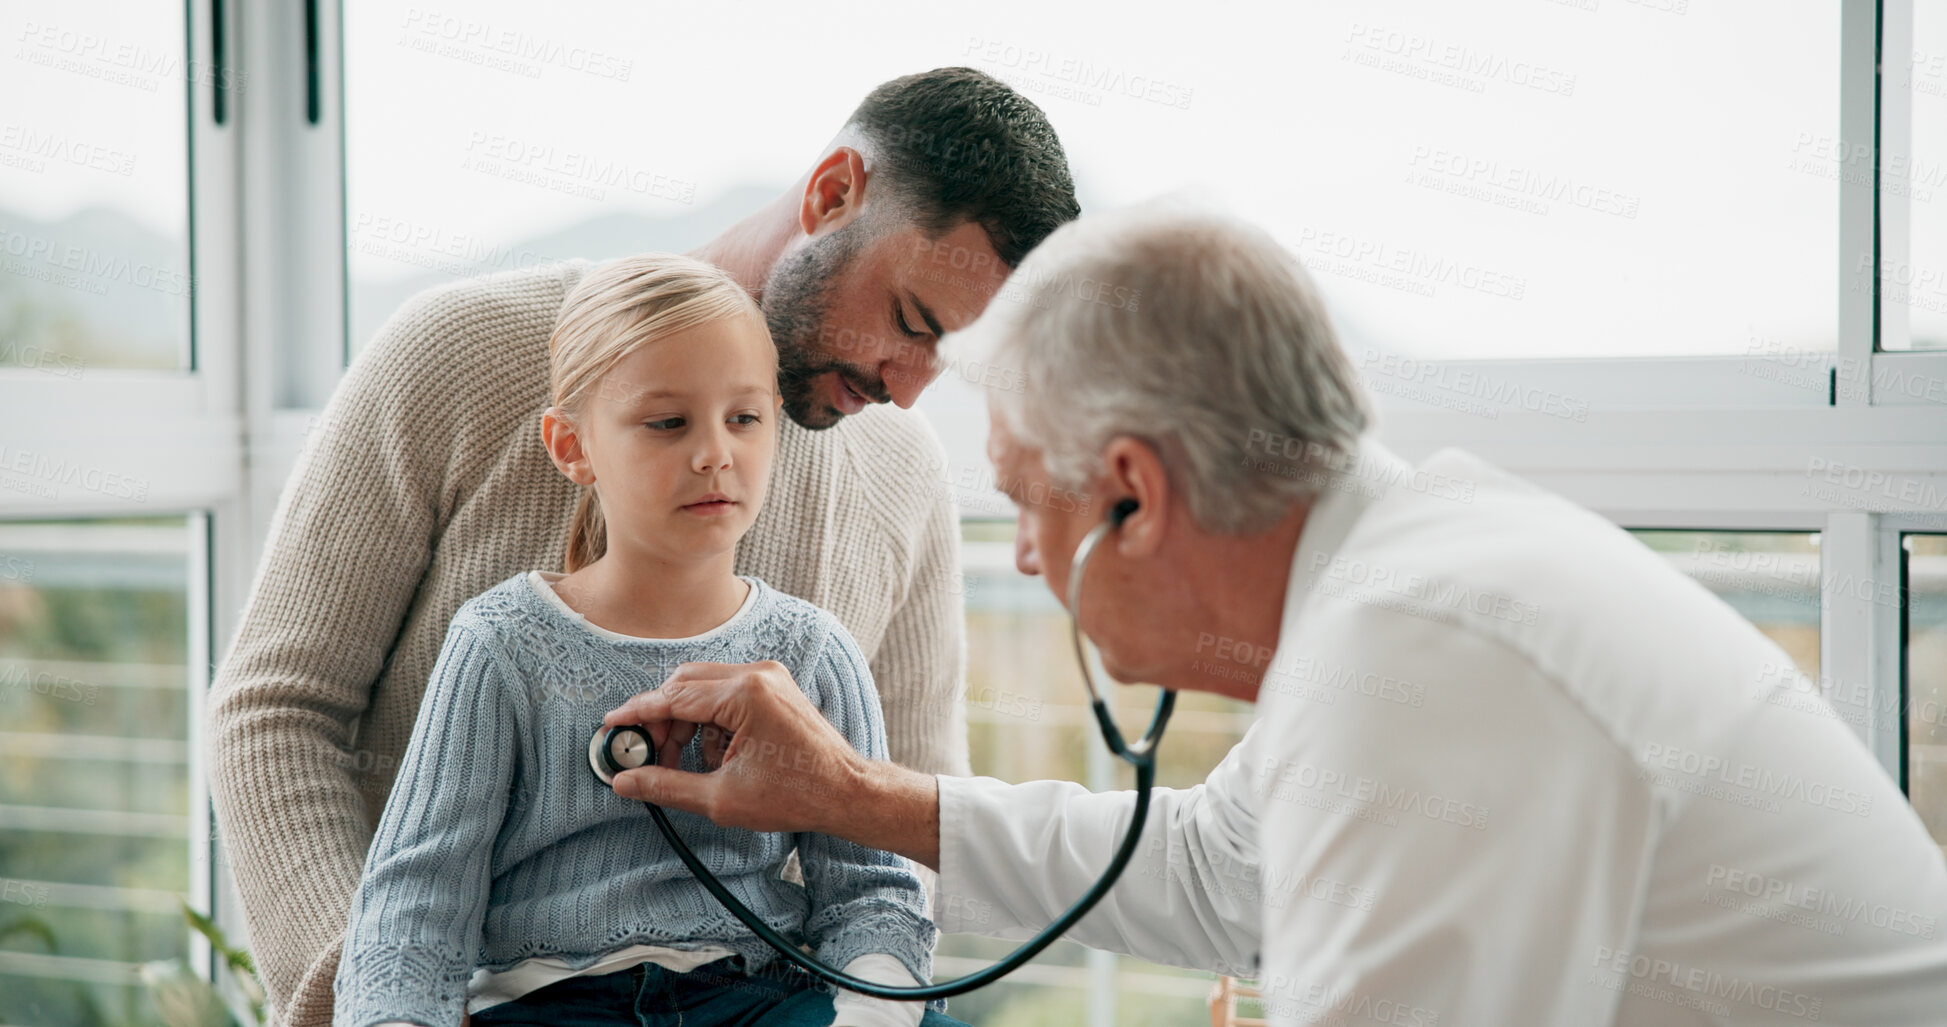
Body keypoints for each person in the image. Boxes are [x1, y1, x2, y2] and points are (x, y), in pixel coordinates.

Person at [601, 202, 1947, 1026]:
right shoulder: (1409, 576)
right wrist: (848, 792)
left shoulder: (1425, 651)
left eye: (1025, 505)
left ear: (1131, 492)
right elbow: (1211, 872)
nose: (1023, 562)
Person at [206, 67, 1078, 1026]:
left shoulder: (903, 477)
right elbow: (276, 714)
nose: (906, 387)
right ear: (832, 194)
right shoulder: (459, 353)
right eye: (911, 322)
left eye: (947, 358)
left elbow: (901, 819)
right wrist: (378, 1000)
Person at [334, 255, 959, 1027]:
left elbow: (871, 890)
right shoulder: (500, 644)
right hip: (549, 1005)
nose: (713, 454)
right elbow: (414, 903)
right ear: (572, 447)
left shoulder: (811, 653)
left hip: (761, 998)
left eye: (744, 418)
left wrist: (872, 1013)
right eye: (668, 423)